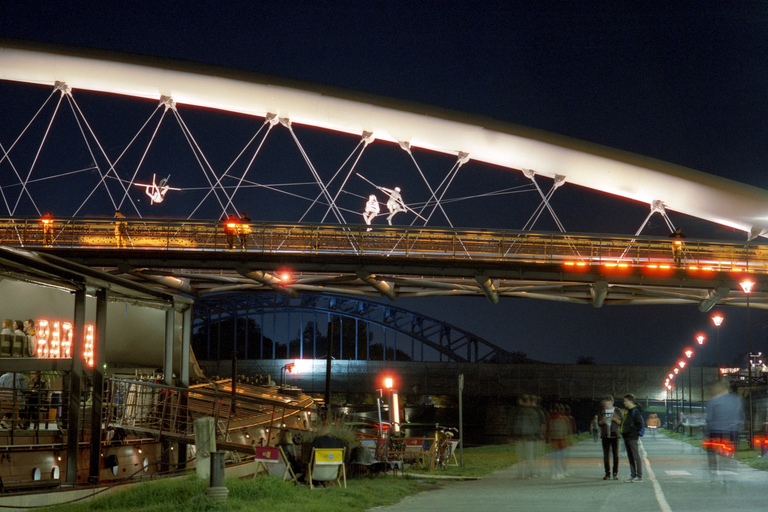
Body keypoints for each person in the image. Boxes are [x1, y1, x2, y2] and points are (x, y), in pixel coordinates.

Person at [705, 379, 743, 471]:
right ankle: (732, 457)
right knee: (733, 443)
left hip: (716, 431)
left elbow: (708, 418)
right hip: (732, 430)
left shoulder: (713, 401)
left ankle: (712, 463)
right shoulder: (736, 400)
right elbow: (740, 415)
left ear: (720, 388)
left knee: (709, 444)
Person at [599, 395, 623, 480]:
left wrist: (614, 419)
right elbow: (599, 423)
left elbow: (620, 422)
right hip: (605, 435)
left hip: (615, 435)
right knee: (606, 455)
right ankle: (607, 473)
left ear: (612, 402)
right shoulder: (602, 412)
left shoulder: (617, 410)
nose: (607, 405)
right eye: (606, 403)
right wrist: (603, 420)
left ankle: (615, 473)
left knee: (615, 455)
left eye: (609, 403)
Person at [621, 394, 644, 482]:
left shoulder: (635, 411)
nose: (624, 403)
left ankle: (639, 476)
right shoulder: (628, 411)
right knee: (630, 456)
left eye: (625, 401)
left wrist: (631, 430)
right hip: (627, 436)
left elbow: (639, 424)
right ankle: (633, 475)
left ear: (630, 401)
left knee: (635, 455)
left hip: (632, 437)